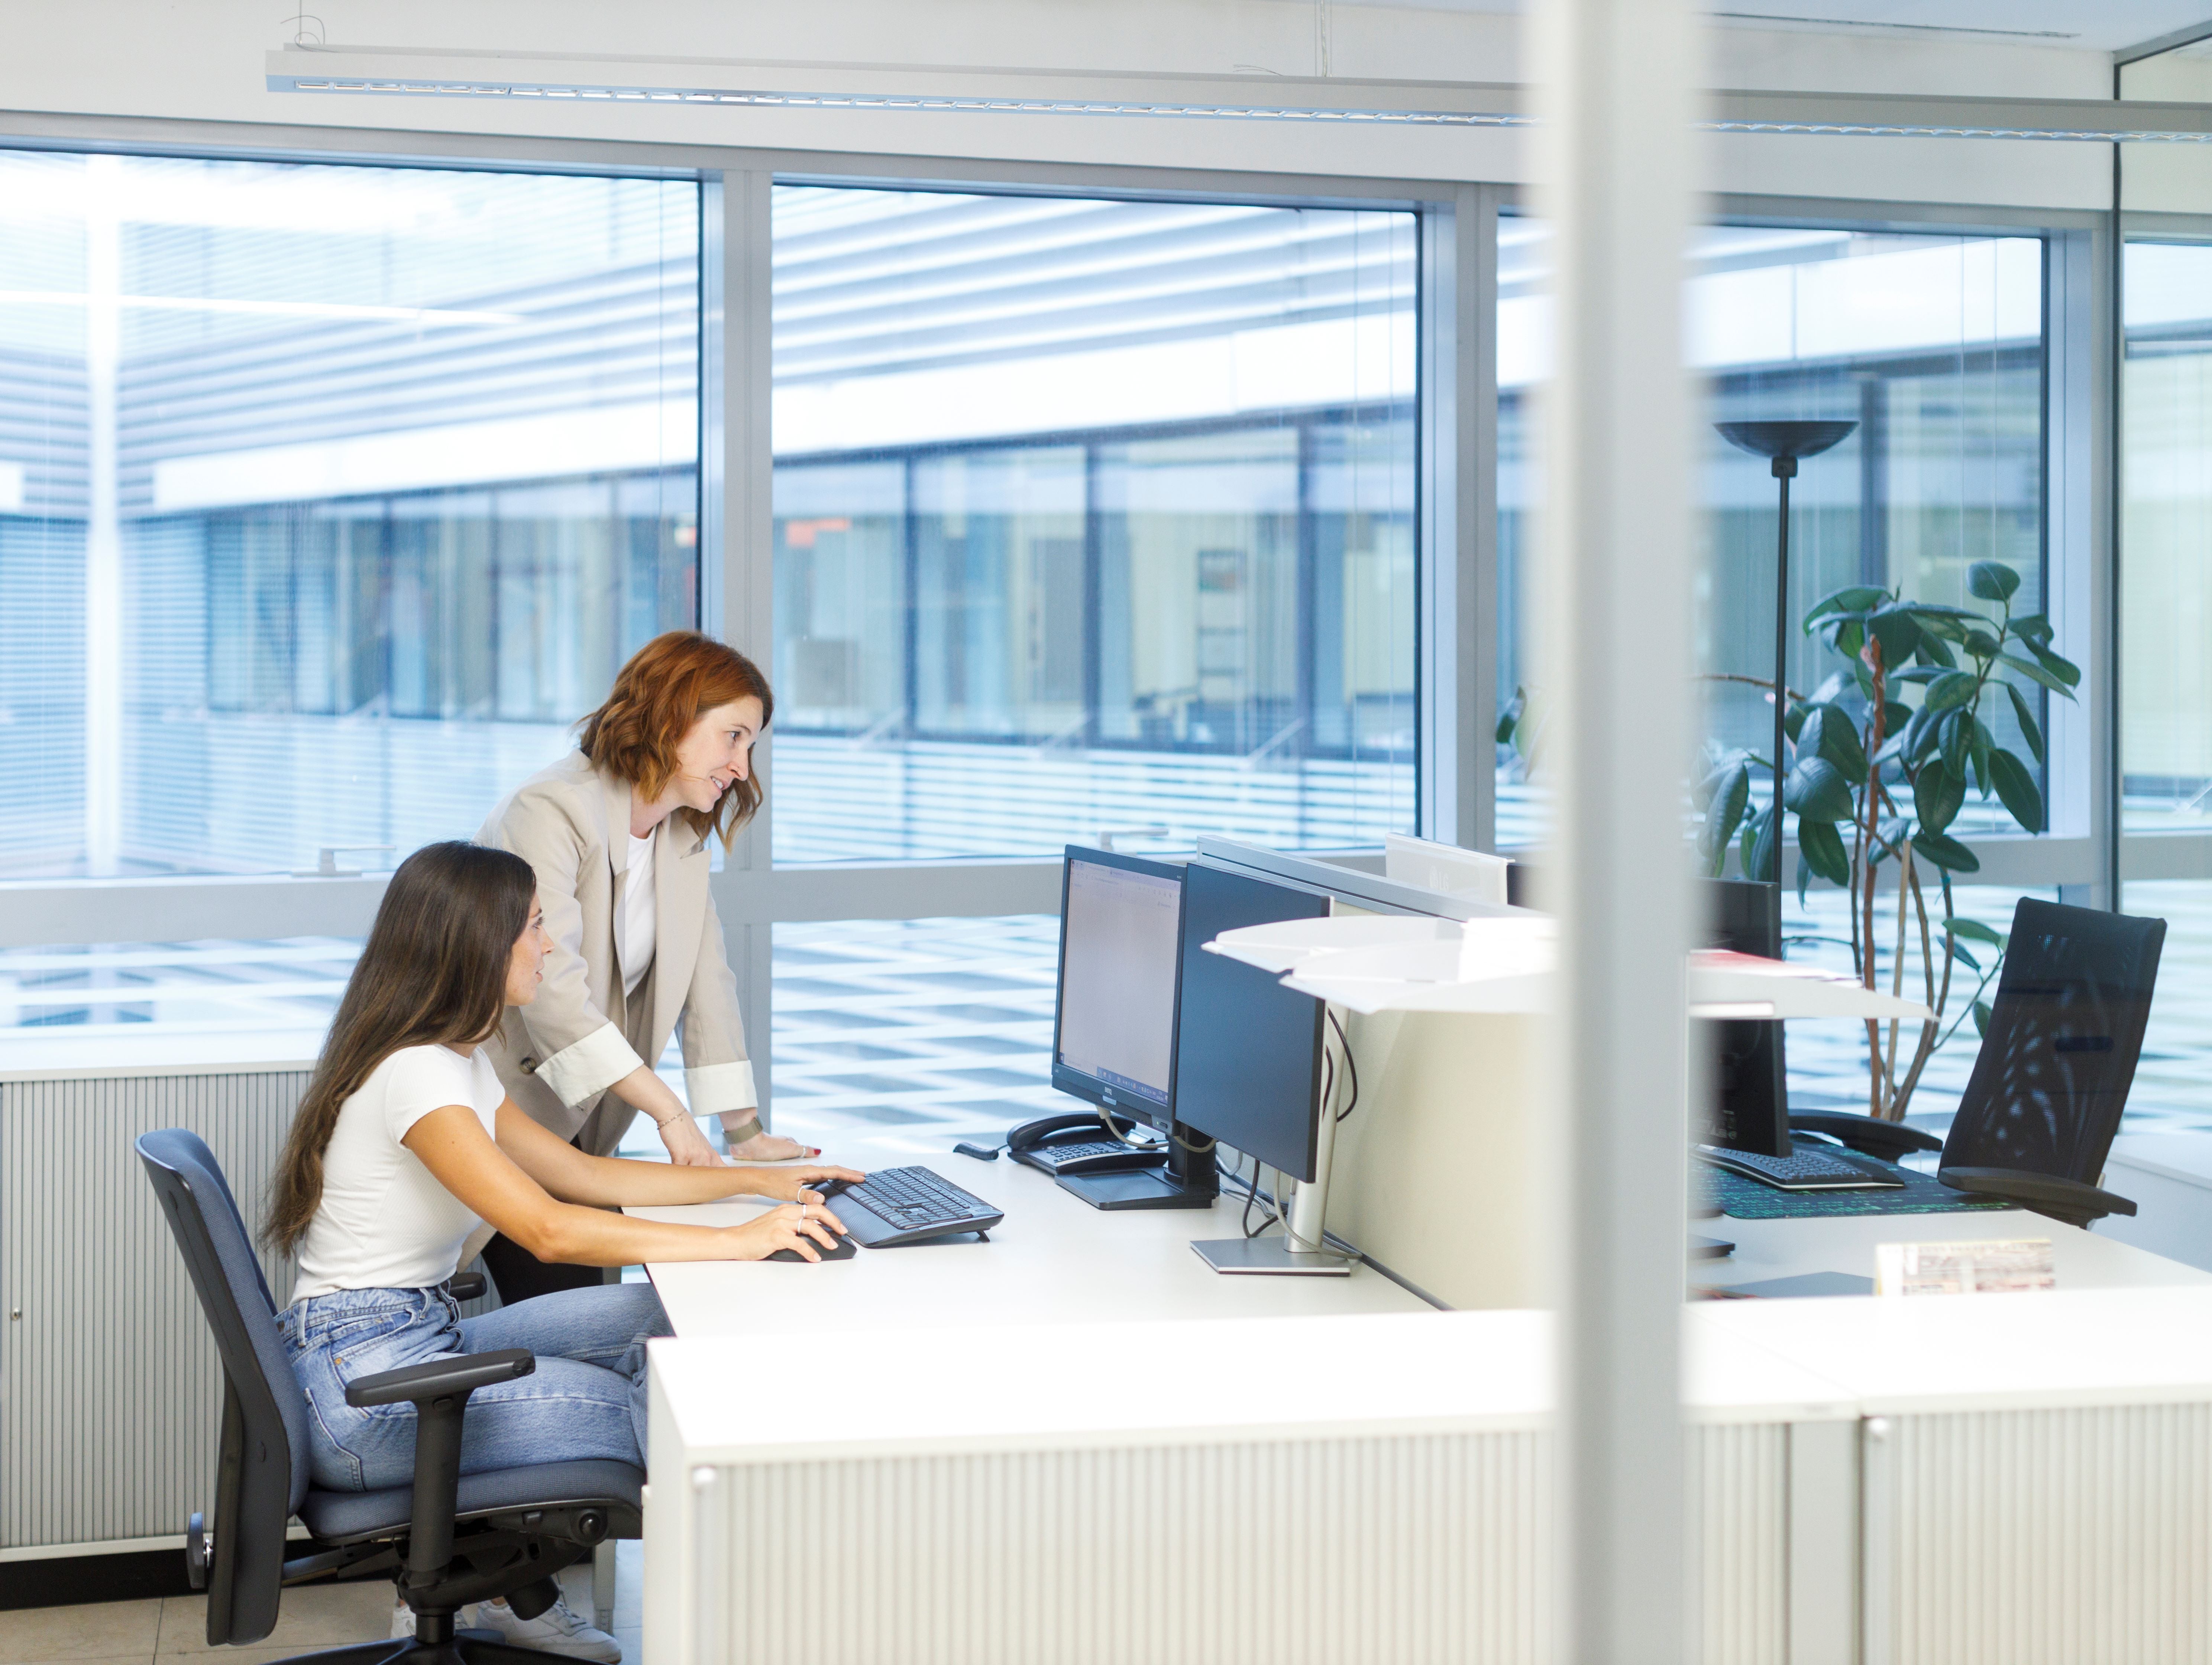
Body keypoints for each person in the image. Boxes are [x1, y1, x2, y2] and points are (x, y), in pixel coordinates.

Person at [268, 841, 862, 1660]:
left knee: (660, 1322)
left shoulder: (455, 1060)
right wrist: (732, 1243)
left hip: (399, 1343)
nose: (549, 945)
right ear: (480, 942)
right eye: (536, 926)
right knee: (664, 1411)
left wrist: (757, 1186)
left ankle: (513, 1589)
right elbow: (546, 1226)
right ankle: (736, 1625)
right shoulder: (420, 1075)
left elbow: (581, 1172)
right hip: (369, 1391)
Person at [476, 631, 813, 1302]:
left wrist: (742, 1134)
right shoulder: (551, 810)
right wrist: (670, 1113)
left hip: (576, 1133)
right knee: (587, 1318)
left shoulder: (679, 835)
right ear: (672, 716)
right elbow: (553, 996)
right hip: (497, 1114)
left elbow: (707, 984)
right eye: (734, 737)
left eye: (751, 746)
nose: (743, 768)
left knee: (596, 1315)